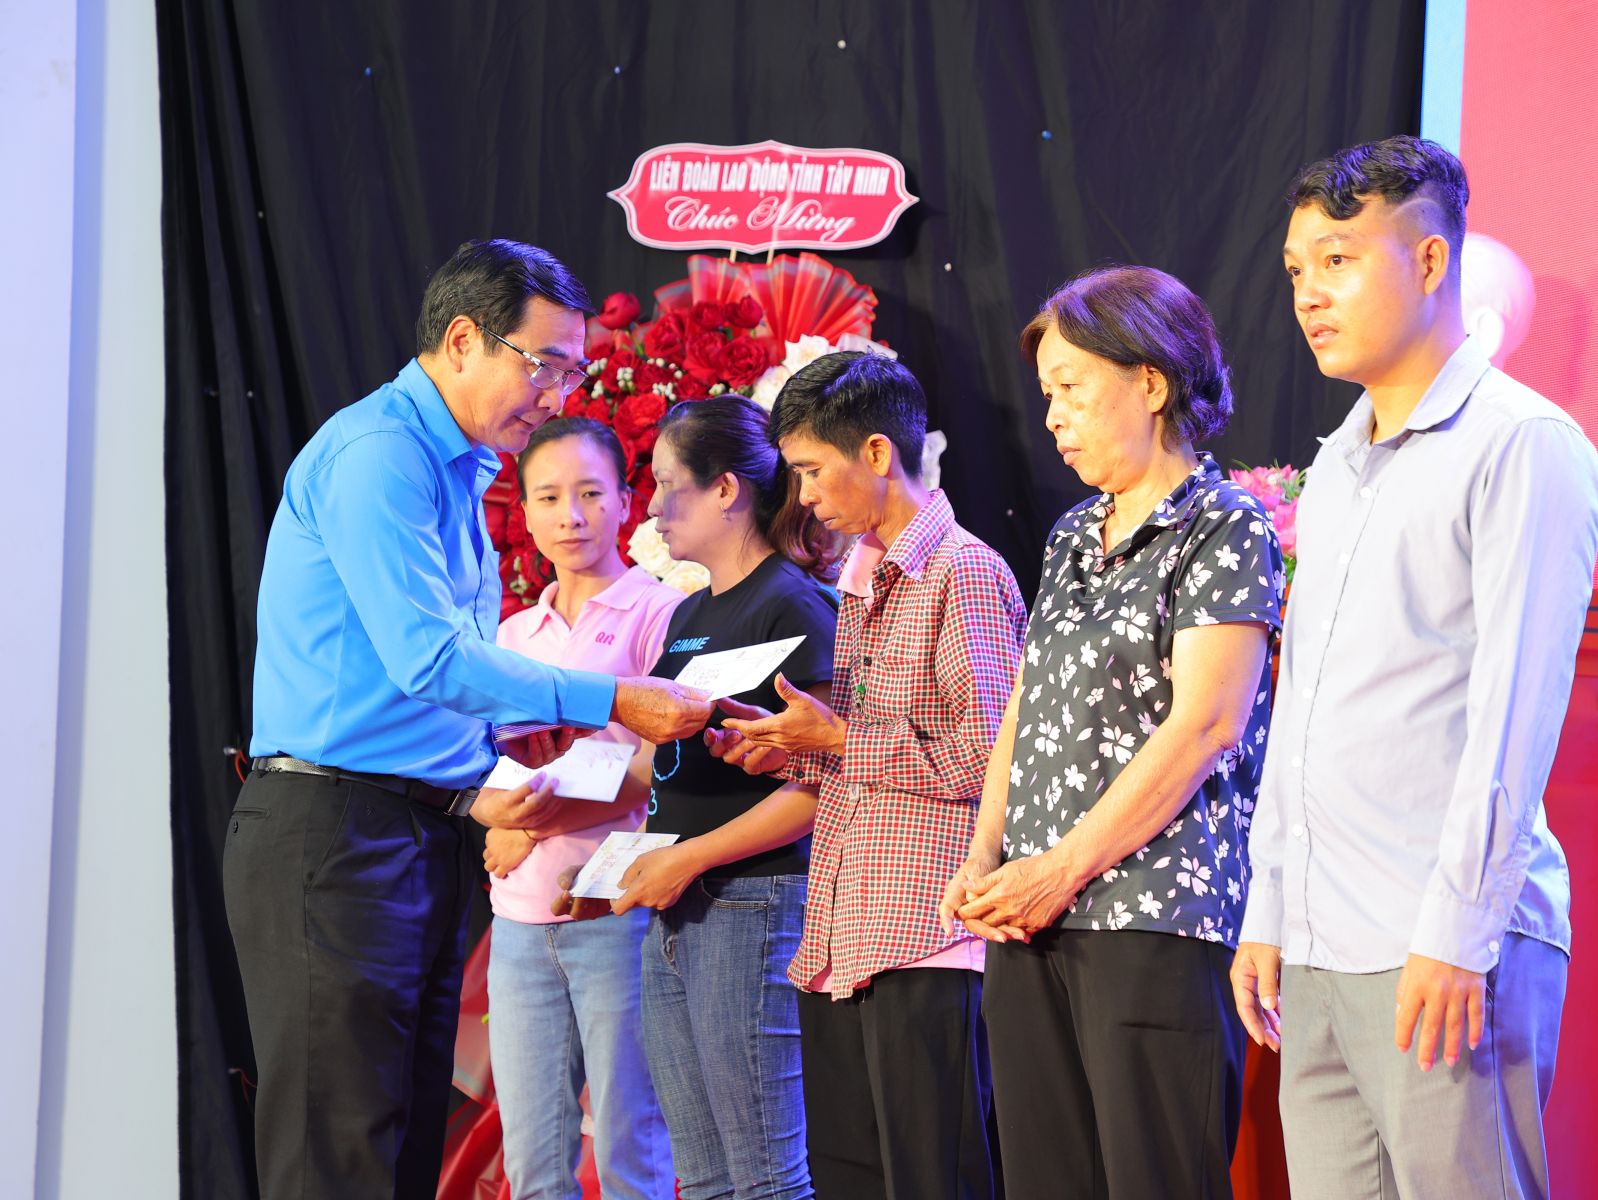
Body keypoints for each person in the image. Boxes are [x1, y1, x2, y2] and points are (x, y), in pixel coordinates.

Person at [225, 239, 712, 1200]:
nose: (557, 394)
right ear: (462, 341)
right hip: (335, 834)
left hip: (420, 832)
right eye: (545, 365)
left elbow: (426, 678)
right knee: (340, 1153)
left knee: (403, 1147)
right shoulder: (380, 455)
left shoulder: (456, 467)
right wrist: (614, 699)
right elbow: (431, 658)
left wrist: (495, 749)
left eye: (573, 372)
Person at [1231, 135, 1598, 1199]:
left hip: (1440, 940)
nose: (1308, 293)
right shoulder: (1338, 463)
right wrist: (1270, 911)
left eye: (1338, 261)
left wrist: (1458, 932)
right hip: (1318, 944)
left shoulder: (1521, 442)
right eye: (1296, 269)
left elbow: (1515, 712)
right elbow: (1302, 706)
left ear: (1431, 261)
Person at [939, 266, 1283, 1199]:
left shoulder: (1222, 522)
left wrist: (1060, 870)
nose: (1053, 417)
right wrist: (985, 854)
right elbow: (1026, 703)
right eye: (1046, 394)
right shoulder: (1069, 534)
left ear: (1151, 382)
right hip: (1031, 917)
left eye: (1070, 388)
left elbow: (1205, 724)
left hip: (1152, 916)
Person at [719, 352, 1026, 1200]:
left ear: (879, 453)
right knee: (850, 1177)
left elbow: (989, 756)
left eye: (813, 470)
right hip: (845, 933)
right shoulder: (861, 578)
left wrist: (840, 739)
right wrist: (792, 747)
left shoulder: (963, 571)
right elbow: (870, 755)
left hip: (929, 933)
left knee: (936, 1178)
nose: (804, 496)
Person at [562, 394, 840, 1200]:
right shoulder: (689, 612)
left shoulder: (793, 602)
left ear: (726, 489)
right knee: (705, 1176)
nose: (651, 506)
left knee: (764, 1175)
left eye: (665, 483)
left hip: (752, 900)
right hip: (674, 905)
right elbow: (662, 767)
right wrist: (576, 834)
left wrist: (690, 859)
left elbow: (825, 786)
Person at [479, 418, 680, 1200]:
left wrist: (529, 822)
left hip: (617, 913)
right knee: (532, 1166)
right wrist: (498, 816)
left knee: (633, 1150)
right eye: (549, 497)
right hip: (518, 922)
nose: (571, 516)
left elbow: (666, 764)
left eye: (591, 493)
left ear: (626, 502)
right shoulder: (511, 635)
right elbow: (481, 766)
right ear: (525, 512)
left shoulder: (660, 613)